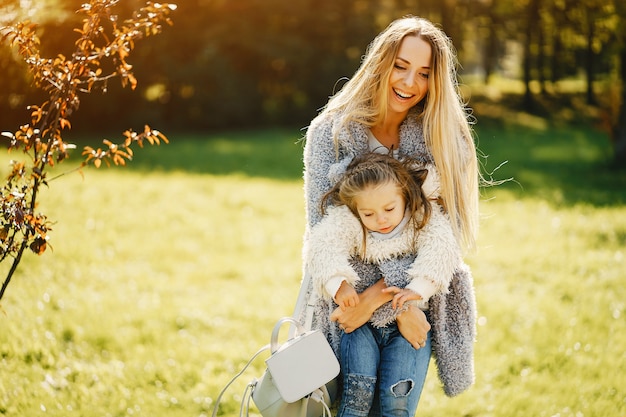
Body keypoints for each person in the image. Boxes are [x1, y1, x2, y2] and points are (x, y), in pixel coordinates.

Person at [295, 14, 480, 416]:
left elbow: (441, 238)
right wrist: (360, 302)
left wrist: (398, 302)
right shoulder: (330, 133)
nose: (409, 83)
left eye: (424, 73)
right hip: (344, 311)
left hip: (414, 313)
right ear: (381, 63)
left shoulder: (439, 140)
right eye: (401, 66)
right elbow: (324, 231)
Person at [304, 152, 462, 417]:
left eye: (389, 209)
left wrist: (418, 289)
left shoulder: (420, 216)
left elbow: (443, 249)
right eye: (369, 213)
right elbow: (321, 245)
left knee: (396, 405)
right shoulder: (351, 220)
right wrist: (338, 284)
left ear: (405, 196)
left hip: (406, 328)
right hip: (361, 326)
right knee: (355, 401)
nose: (381, 220)